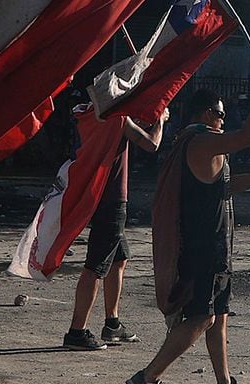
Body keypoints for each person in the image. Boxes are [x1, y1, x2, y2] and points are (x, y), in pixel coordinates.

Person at [128, 69, 250, 384]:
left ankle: (224, 380)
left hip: (215, 247)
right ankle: (147, 377)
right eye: (219, 114)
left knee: (219, 317)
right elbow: (249, 136)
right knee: (203, 316)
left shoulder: (202, 147)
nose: (222, 121)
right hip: (203, 248)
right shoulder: (199, 141)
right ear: (203, 114)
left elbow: (224, 186)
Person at [62, 108, 169, 350]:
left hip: (97, 195)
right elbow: (152, 144)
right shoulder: (119, 119)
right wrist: (160, 120)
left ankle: (112, 324)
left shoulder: (90, 115)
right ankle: (76, 332)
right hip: (111, 199)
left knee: (119, 259)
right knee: (96, 266)